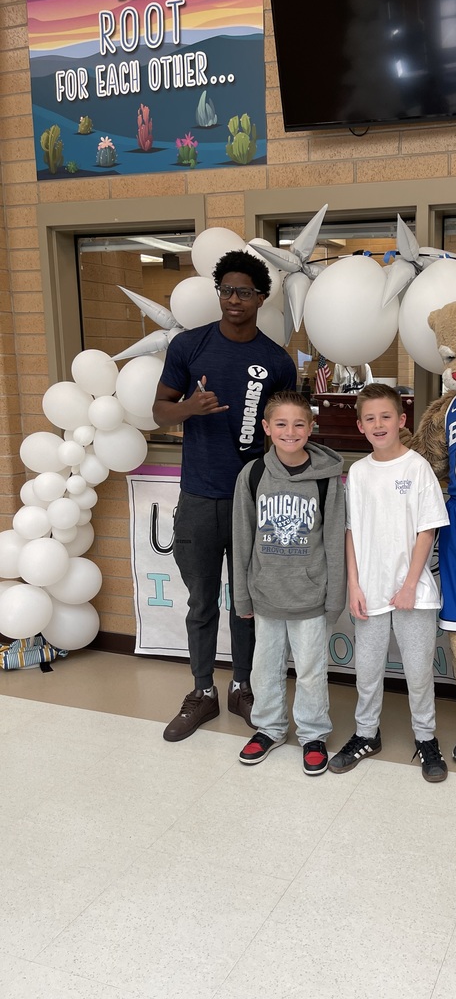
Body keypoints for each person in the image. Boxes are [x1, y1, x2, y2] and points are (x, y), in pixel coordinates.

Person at [153, 250, 297, 742]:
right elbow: (159, 412)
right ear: (219, 293)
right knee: (201, 601)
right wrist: (189, 407)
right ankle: (202, 693)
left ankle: (242, 687)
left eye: (245, 292)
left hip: (253, 501)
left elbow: (284, 429)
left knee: (247, 602)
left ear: (262, 298)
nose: (234, 300)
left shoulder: (277, 361)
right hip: (198, 496)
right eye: (227, 290)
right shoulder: (189, 347)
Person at [329, 384, 450, 783]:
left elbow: (427, 530)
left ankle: (426, 739)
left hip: (411, 592)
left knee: (418, 673)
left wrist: (410, 584)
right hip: (370, 591)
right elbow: (350, 532)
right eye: (370, 418)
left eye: (386, 417)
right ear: (360, 425)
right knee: (367, 671)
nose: (378, 424)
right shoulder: (359, 473)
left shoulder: (416, 468)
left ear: (401, 421)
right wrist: (354, 585)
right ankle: (366, 734)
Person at [231, 391, 346, 775]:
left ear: (311, 428)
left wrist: (335, 597)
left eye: (299, 424)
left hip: (310, 594)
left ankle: (313, 733)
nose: (290, 431)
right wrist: (242, 596)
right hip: (265, 594)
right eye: (281, 424)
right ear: (266, 428)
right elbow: (242, 537)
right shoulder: (253, 475)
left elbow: (332, 539)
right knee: (265, 666)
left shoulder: (328, 479)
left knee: (312, 669)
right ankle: (270, 728)